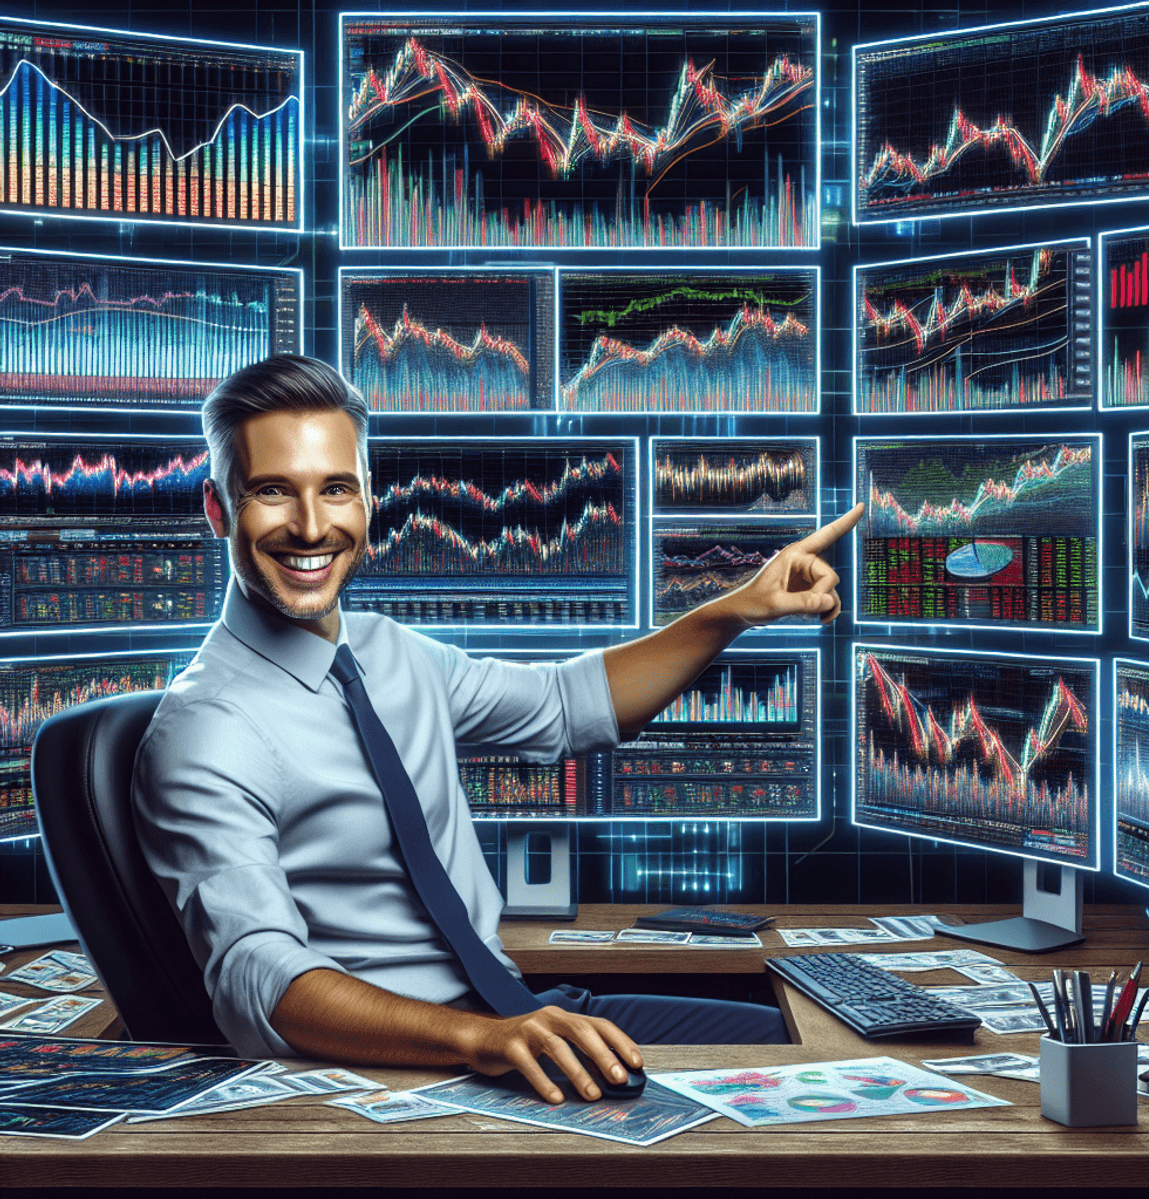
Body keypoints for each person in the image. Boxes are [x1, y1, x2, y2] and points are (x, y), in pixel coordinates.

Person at [133, 354, 863, 1104]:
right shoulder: (207, 730)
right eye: (272, 492)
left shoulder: (387, 652)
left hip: (515, 1019)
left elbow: (565, 706)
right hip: (402, 1069)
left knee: (823, 1063)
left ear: (368, 500)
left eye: (336, 489)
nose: (312, 525)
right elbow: (259, 980)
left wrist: (735, 609)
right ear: (219, 509)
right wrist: (477, 1040)